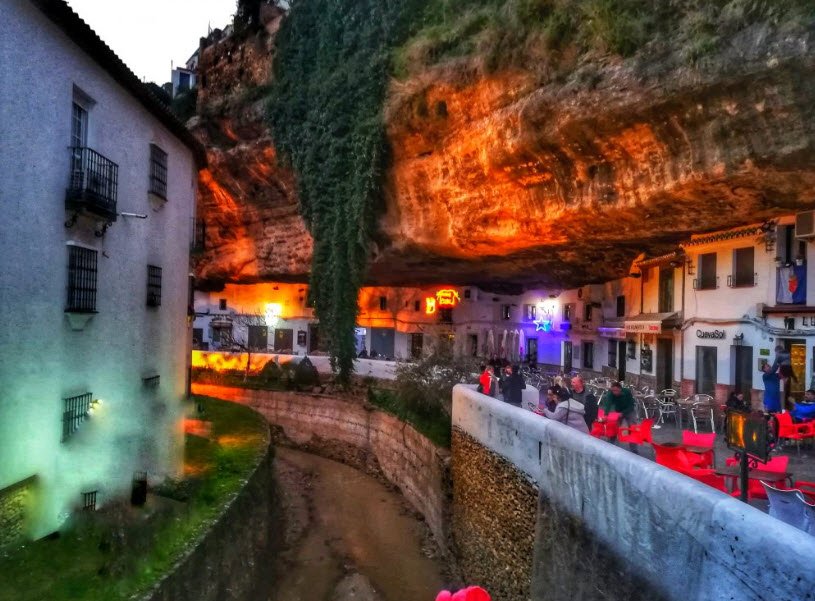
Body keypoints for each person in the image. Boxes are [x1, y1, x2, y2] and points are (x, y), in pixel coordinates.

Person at [600, 381, 639, 453]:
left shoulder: (627, 392)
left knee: (632, 428)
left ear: (620, 389)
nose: (614, 392)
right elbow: (608, 405)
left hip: (629, 410)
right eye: (613, 390)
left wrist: (623, 413)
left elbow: (631, 405)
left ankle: (634, 450)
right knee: (614, 426)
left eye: (616, 390)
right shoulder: (610, 394)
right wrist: (605, 415)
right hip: (618, 411)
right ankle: (610, 445)